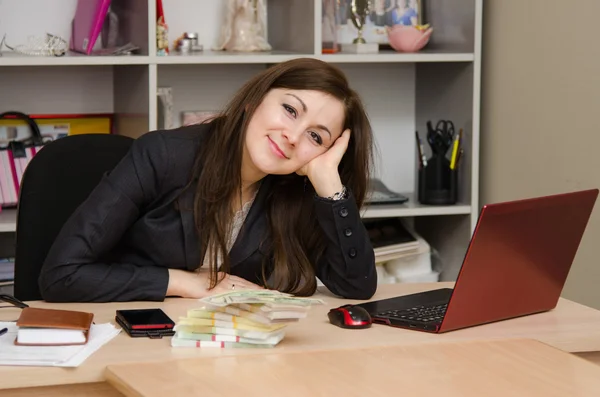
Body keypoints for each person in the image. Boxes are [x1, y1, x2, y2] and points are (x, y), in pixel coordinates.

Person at [39, 58, 377, 303]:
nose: (292, 136)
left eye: (316, 137)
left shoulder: (294, 189)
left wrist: (330, 185)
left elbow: (356, 285)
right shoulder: (162, 155)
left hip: (231, 347)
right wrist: (184, 283)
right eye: (290, 110)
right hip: (135, 335)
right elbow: (61, 275)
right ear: (253, 101)